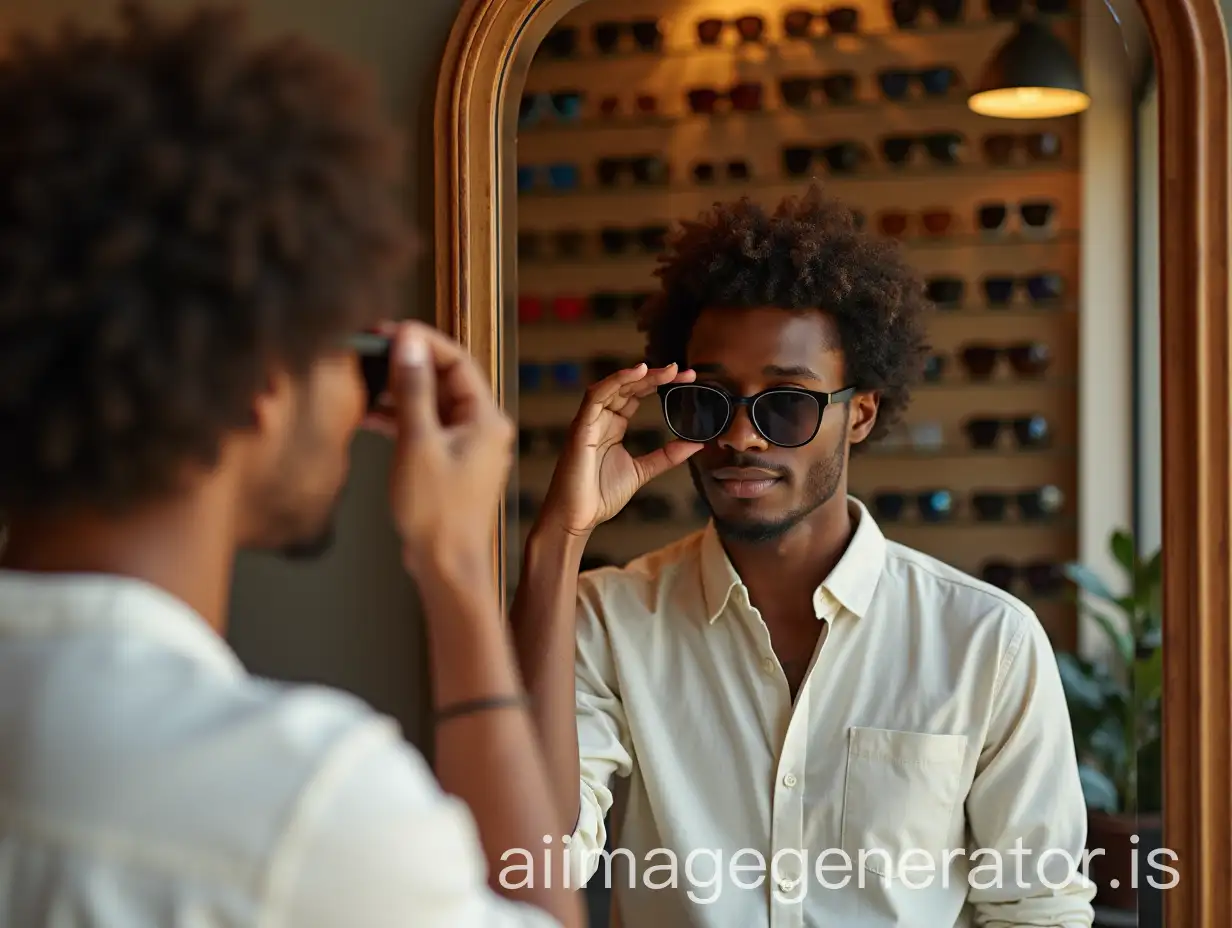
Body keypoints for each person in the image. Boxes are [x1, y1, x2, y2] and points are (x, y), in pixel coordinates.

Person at [0, 5, 581, 928]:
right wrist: (462, 574)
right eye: (345, 352)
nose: (358, 398)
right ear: (264, 386)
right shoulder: (302, 808)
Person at [511, 188, 1097, 927]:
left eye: (786, 403)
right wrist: (558, 538)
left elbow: (1037, 911)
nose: (742, 438)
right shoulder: (608, 619)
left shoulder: (987, 642)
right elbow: (531, 862)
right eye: (711, 402)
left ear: (860, 414)